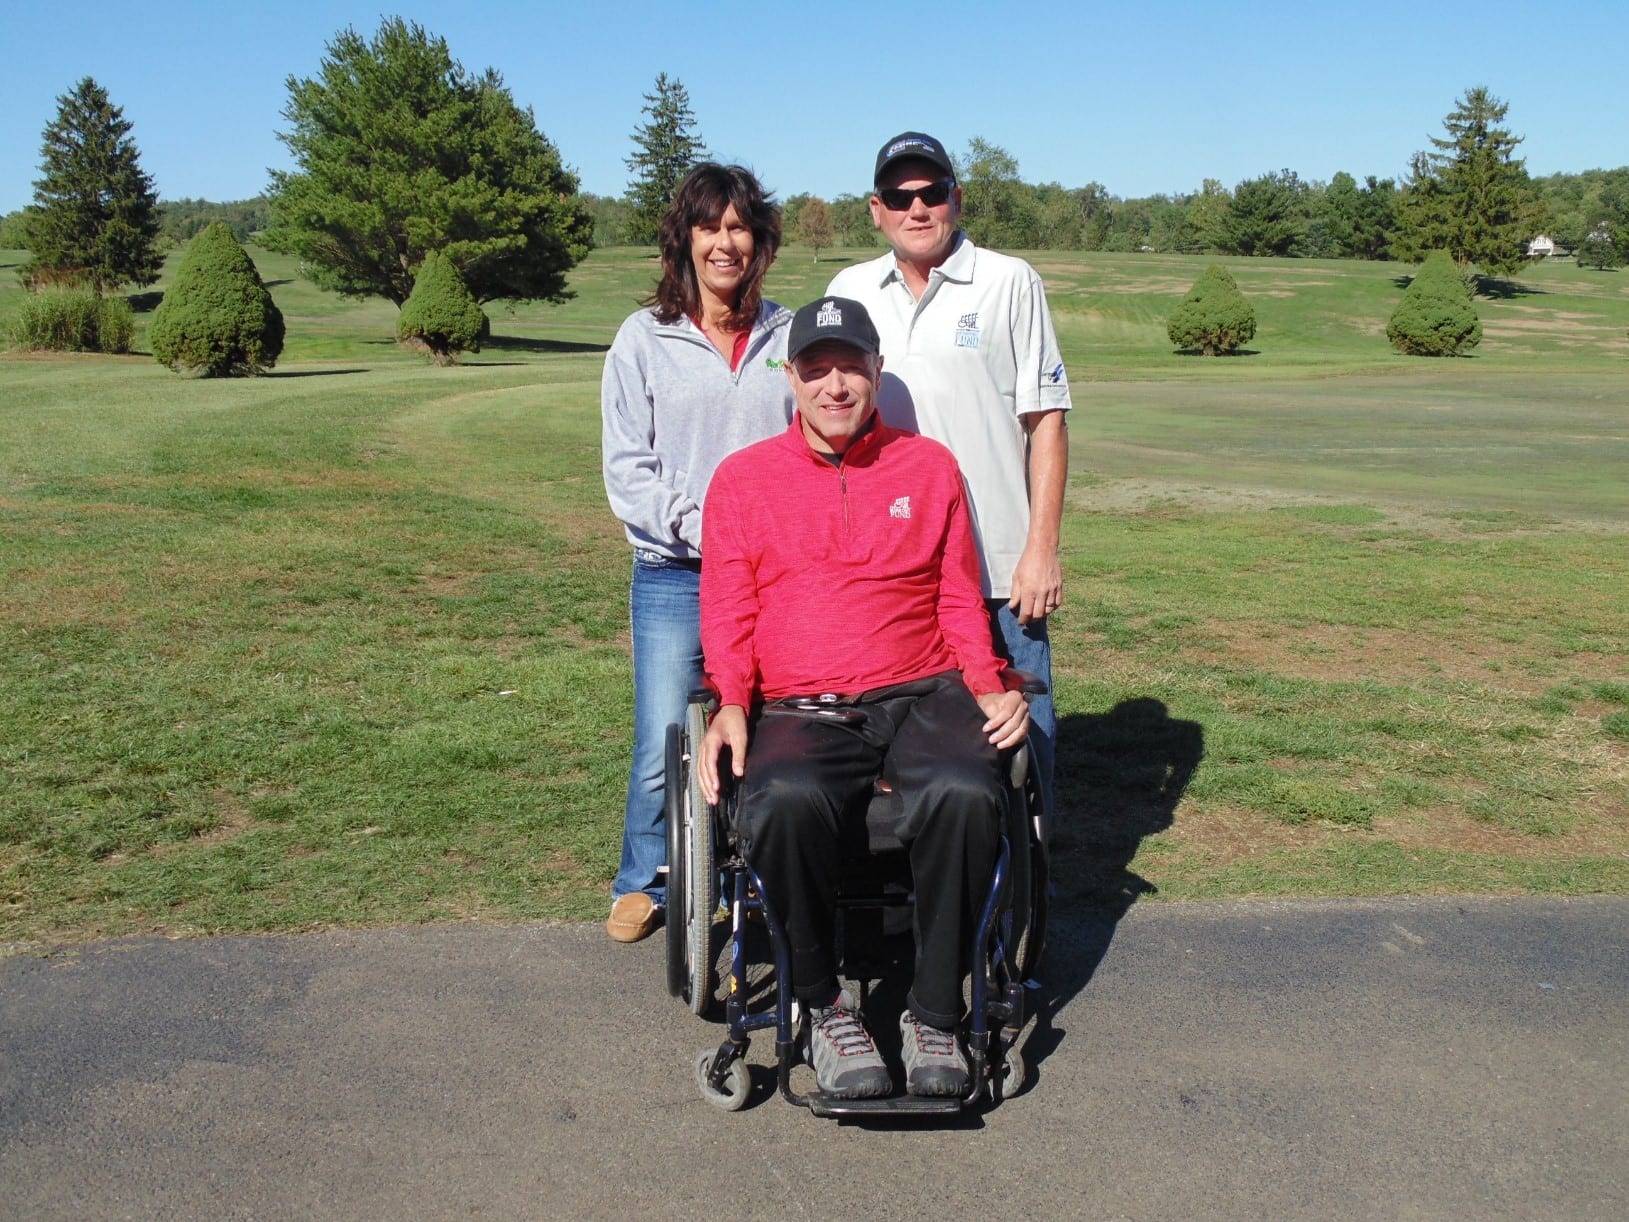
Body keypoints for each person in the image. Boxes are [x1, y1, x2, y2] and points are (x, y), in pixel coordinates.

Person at [697, 296, 1030, 1099]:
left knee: (963, 787)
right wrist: (731, 702)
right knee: (778, 798)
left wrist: (988, 686)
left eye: (852, 366)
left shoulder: (929, 467)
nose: (836, 385)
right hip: (800, 703)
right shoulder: (744, 481)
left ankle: (933, 1012)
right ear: (791, 378)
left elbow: (957, 598)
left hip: (922, 686)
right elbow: (728, 606)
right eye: (818, 368)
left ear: (877, 372)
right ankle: (819, 1006)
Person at [826, 131, 1071, 826]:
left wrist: (1040, 549)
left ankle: (1030, 897)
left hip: (995, 564)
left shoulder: (1007, 280)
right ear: (876, 210)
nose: (917, 208)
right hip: (891, 571)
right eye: (900, 197)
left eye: (931, 193)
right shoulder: (849, 290)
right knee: (916, 739)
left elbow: (1045, 420)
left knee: (1026, 727)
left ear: (954, 200)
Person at [600, 164, 795, 944]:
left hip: (774, 575)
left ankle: (752, 873)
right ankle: (644, 880)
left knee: (772, 724)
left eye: (740, 226)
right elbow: (627, 469)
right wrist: (703, 528)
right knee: (664, 737)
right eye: (710, 226)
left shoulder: (788, 335)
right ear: (685, 238)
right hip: (675, 574)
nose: (725, 242)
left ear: (761, 241)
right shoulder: (644, 337)